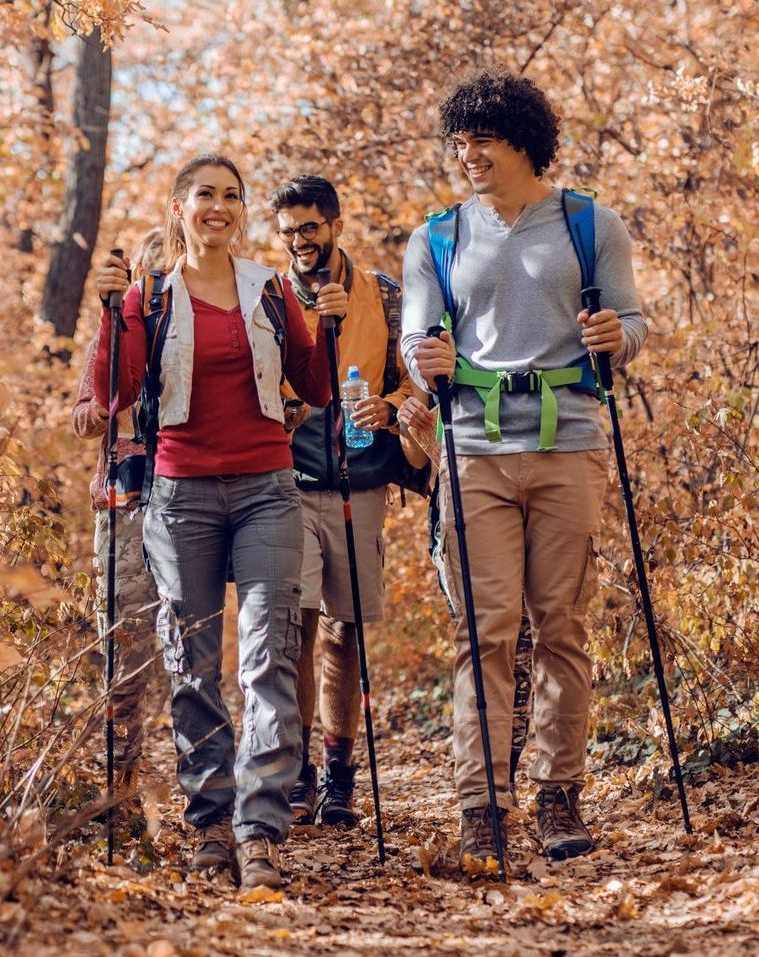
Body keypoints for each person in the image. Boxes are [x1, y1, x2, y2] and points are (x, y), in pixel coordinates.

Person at [400, 69, 648, 870]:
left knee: (562, 624)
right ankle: (481, 805)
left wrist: (618, 335)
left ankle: (557, 794)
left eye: (483, 138)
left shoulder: (587, 223)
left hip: (568, 443)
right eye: (458, 140)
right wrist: (423, 353)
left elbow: (632, 319)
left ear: (524, 140)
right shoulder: (436, 237)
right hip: (472, 449)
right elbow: (414, 335)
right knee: (484, 631)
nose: (467, 153)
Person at [92, 153, 336, 889]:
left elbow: (315, 386)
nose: (219, 207)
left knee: (268, 655)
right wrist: (109, 313)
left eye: (231, 196)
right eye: (205, 195)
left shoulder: (268, 289)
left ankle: (258, 828)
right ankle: (209, 826)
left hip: (267, 487)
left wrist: (328, 327)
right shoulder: (149, 296)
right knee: (190, 666)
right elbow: (117, 391)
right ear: (179, 207)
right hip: (180, 496)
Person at [268, 176, 411, 827]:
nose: (299, 241)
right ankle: (297, 770)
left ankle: (340, 774)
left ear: (334, 225)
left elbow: (418, 377)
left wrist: (392, 407)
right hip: (287, 480)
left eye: (309, 227)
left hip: (360, 479)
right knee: (294, 625)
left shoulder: (381, 294)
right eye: (288, 229)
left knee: (344, 629)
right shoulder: (265, 296)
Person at [397, 389, 535, 805]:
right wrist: (410, 422)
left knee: (525, 644)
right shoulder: (428, 345)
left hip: (531, 484)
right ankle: (489, 788)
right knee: (491, 638)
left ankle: (504, 773)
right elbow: (415, 458)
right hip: (459, 508)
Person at [72, 227, 165, 819]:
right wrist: (104, 408)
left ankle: (199, 793)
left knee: (188, 650)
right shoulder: (117, 328)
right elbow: (82, 415)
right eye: (148, 276)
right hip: (125, 506)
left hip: (194, 497)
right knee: (127, 651)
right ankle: (120, 789)